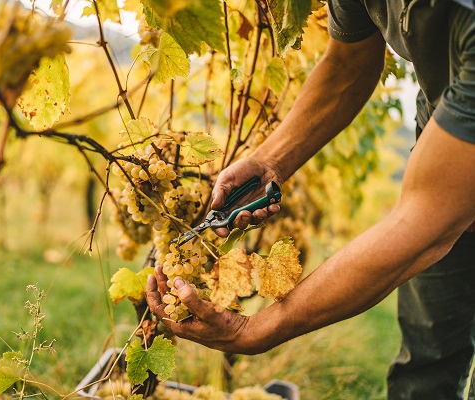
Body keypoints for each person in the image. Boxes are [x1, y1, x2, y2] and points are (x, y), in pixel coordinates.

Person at [147, 0, 475, 398]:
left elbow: (423, 226)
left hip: (459, 135)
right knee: (429, 352)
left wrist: (255, 329)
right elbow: (347, 64)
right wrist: (271, 161)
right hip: (447, 123)